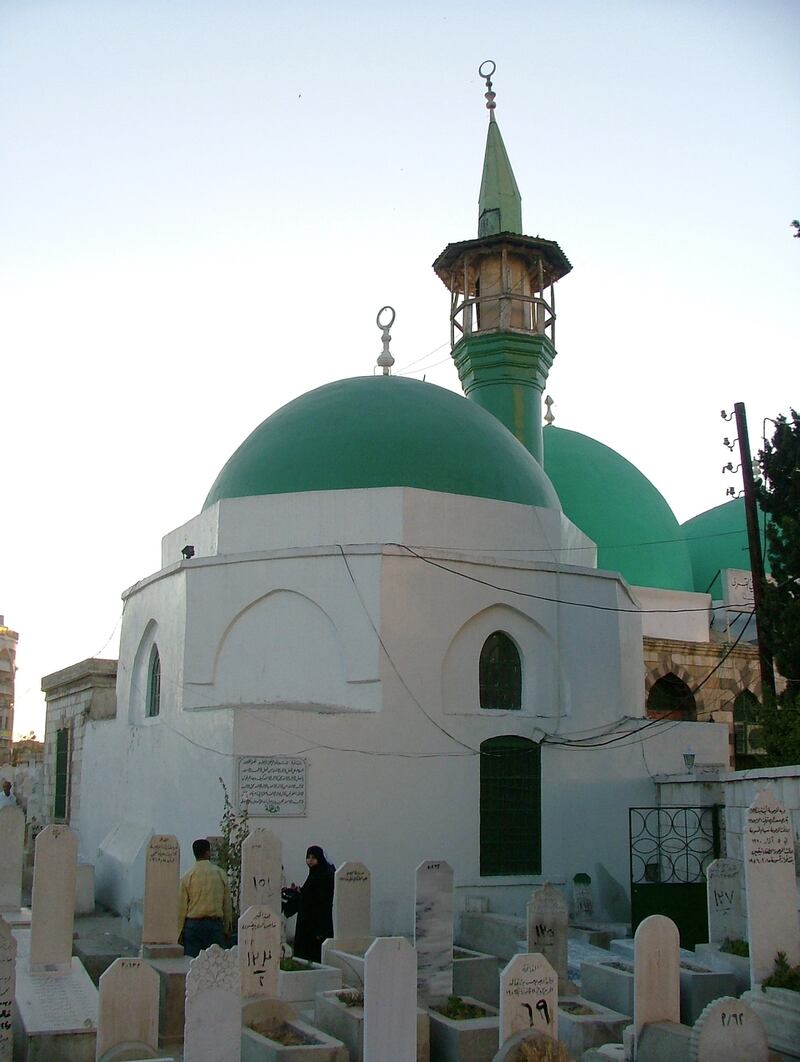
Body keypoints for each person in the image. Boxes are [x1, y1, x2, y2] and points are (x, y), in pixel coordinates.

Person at [177, 838, 232, 958]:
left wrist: (178, 932)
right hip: (214, 925)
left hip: (193, 926)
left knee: (192, 962)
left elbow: (181, 908)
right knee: (216, 964)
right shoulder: (220, 874)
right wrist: (227, 926)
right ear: (208, 852)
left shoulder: (187, 877)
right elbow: (227, 903)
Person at [281, 845, 335, 962]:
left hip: (316, 923)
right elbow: (305, 895)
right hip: (309, 921)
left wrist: (290, 903)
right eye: (308, 857)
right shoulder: (316, 874)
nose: (310, 860)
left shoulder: (322, 876)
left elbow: (313, 898)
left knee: (313, 954)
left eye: (313, 857)